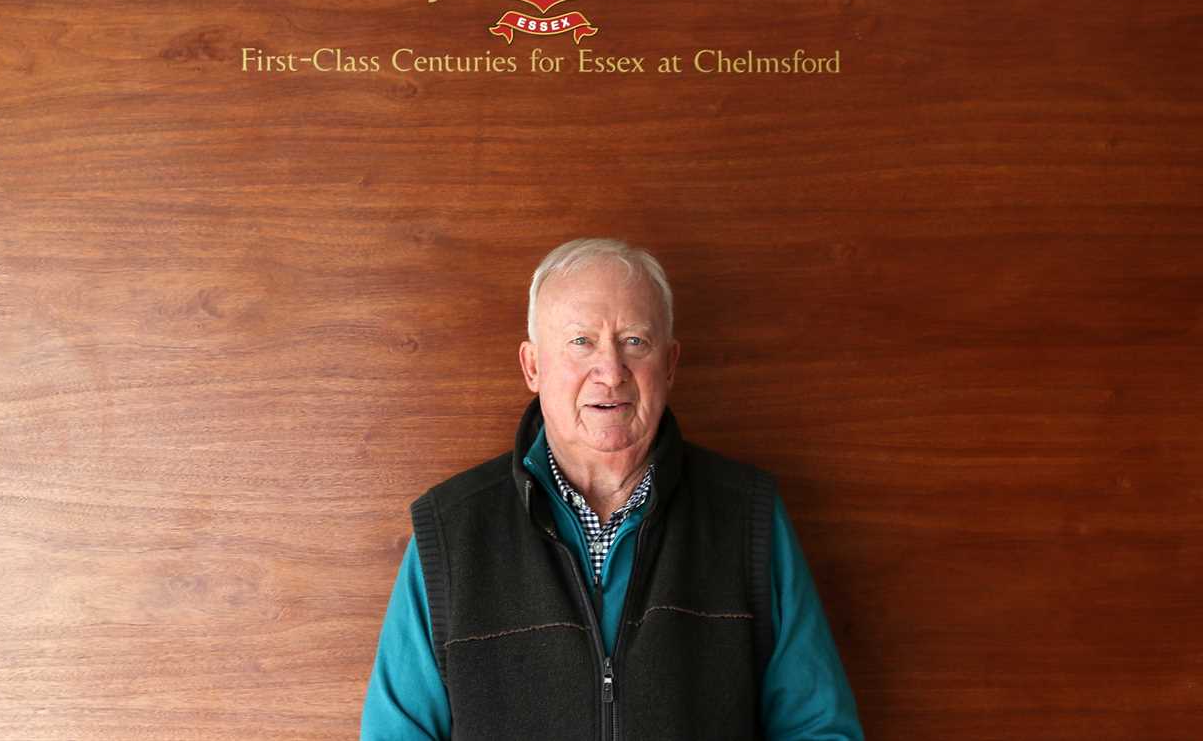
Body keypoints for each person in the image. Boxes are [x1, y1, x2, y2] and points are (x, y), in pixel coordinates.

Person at [361, 238, 864, 740]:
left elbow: (819, 729)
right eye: (581, 342)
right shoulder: (451, 531)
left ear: (669, 364)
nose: (611, 372)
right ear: (532, 366)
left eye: (634, 342)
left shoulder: (747, 517)